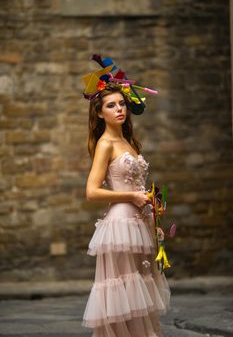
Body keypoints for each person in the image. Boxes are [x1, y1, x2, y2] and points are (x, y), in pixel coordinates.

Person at [82, 58, 170, 337]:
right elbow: (92, 192)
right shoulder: (105, 143)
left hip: (140, 222)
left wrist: (149, 202)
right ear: (99, 113)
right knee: (123, 289)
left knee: (140, 286)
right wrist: (131, 195)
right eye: (111, 105)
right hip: (120, 225)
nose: (119, 109)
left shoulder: (129, 141)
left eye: (121, 103)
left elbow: (137, 183)